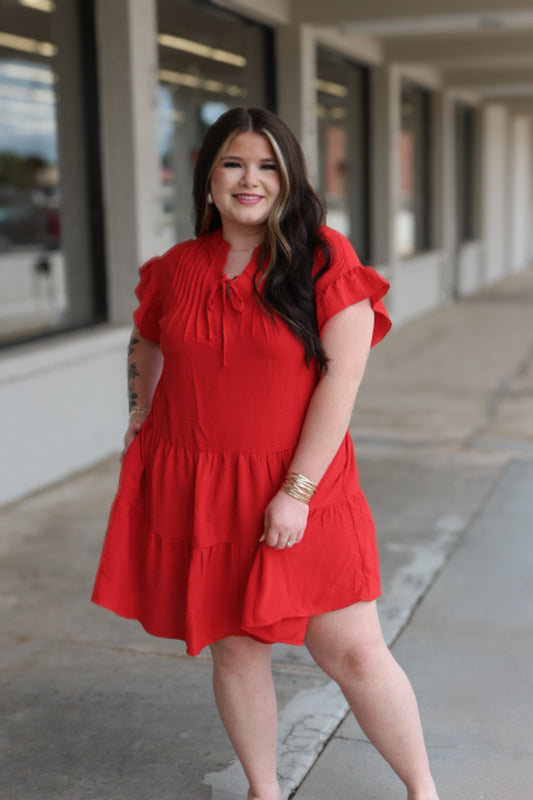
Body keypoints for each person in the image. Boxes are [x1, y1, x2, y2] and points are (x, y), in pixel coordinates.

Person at [92, 107, 439, 800]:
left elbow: (343, 378)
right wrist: (139, 405)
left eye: (267, 165)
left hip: (302, 481)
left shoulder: (322, 258)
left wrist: (298, 491)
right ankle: (262, 789)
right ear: (208, 176)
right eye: (233, 163)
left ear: (289, 178)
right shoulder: (174, 267)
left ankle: (422, 791)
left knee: (351, 651)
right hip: (200, 484)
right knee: (236, 649)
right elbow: (146, 336)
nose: (249, 179)